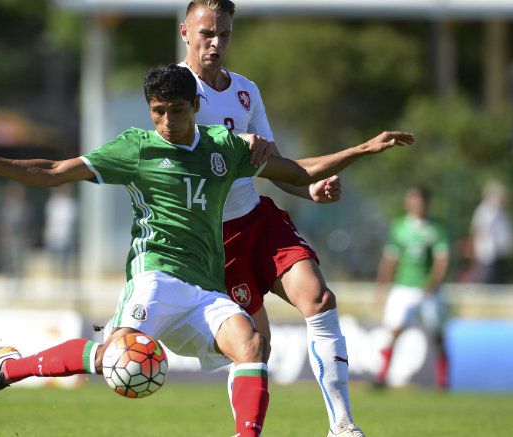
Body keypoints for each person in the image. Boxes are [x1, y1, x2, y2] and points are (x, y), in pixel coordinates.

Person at [0, 64, 412, 436]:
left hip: (206, 286)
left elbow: (297, 173)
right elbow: (54, 170)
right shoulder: (136, 150)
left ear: (194, 107)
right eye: (158, 111)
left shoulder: (224, 147)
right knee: (113, 356)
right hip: (156, 277)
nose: (167, 121)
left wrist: (364, 149)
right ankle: (6, 369)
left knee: (251, 345)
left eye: (177, 110)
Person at [180, 2, 365, 435]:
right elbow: (179, 153)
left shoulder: (246, 91)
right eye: (207, 33)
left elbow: (274, 164)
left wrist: (309, 188)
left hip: (257, 218)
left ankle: (343, 425)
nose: (216, 43)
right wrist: (228, 142)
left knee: (318, 298)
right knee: (254, 347)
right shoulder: (173, 89)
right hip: (213, 237)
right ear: (185, 31)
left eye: (224, 34)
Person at [374, 186, 450, 390]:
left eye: (420, 200)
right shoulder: (399, 227)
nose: (416, 204)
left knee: (437, 334)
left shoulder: (437, 229)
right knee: (393, 330)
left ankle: (443, 380)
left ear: (426, 203)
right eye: (412, 200)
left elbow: (442, 260)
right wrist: (382, 287)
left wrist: (432, 284)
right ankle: (381, 376)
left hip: (428, 290)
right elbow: (390, 259)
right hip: (403, 288)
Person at [467, 180, 513, 284]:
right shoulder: (485, 211)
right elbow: (478, 231)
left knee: (501, 282)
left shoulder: (502, 212)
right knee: (490, 282)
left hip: (501, 255)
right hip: (488, 256)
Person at [43, 184, 78, 279]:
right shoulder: (53, 203)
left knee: (65, 261)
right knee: (54, 260)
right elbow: (49, 220)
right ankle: (55, 278)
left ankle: (65, 279)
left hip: (65, 236)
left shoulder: (72, 204)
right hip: (54, 235)